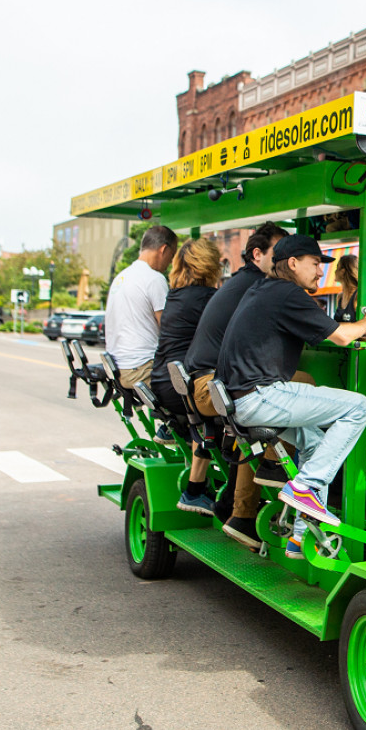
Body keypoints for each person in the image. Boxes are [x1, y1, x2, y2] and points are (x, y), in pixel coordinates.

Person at [216, 234, 366, 557]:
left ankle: (299, 536)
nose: (320, 273)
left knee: (314, 443)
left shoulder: (264, 290)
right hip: (261, 396)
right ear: (293, 264)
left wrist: (360, 327)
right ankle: (304, 487)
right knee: (359, 407)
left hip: (240, 402)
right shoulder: (289, 294)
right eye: (315, 264)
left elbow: (326, 327)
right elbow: (342, 337)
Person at [184, 221, 288, 533]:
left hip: (208, 382)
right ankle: (274, 471)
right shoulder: (258, 286)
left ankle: (240, 511)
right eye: (279, 253)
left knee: (267, 402)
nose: (286, 260)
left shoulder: (244, 282)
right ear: (258, 254)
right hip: (213, 384)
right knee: (296, 390)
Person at [150, 237, 222, 515]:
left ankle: (172, 426)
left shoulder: (176, 295)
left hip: (163, 379)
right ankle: (194, 491)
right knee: (222, 412)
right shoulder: (208, 299)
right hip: (182, 385)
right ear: (209, 265)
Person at [104, 225, 178, 388]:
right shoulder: (154, 279)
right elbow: (167, 329)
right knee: (194, 387)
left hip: (118, 367)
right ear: (163, 250)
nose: (170, 263)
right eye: (171, 256)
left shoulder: (121, 277)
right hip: (142, 368)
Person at [333, 254, 359, 323]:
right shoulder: (340, 297)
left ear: (342, 271)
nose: (334, 272)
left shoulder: (358, 296)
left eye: (337, 268)